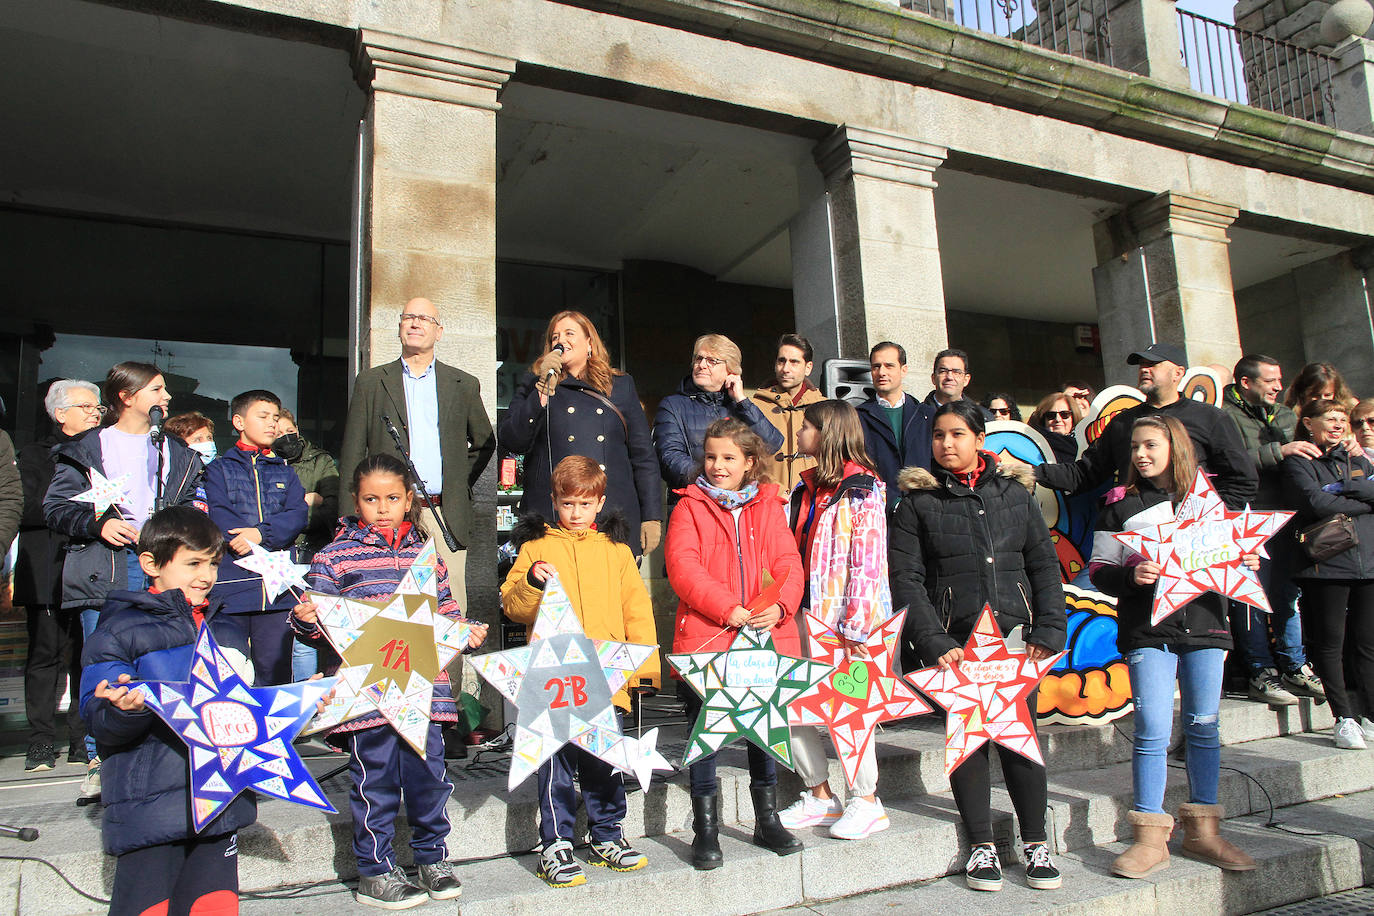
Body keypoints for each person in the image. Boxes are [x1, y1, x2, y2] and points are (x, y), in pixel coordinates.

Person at [291, 454, 487, 908]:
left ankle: (432, 857)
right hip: (366, 696)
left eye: (393, 498)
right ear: (355, 501)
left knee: (429, 778)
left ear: (409, 500)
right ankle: (375, 870)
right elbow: (314, 623)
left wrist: (467, 633)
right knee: (373, 780)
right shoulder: (333, 556)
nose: (382, 507)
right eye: (371, 499)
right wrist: (303, 620)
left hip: (426, 691)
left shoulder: (426, 555)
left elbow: (449, 615)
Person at [889, 400, 1066, 893]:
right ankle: (982, 845)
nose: (947, 444)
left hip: (1015, 641)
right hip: (957, 645)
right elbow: (906, 578)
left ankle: (1035, 843)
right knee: (967, 743)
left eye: (958, 435)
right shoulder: (917, 503)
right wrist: (933, 637)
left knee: (1018, 739)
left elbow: (1044, 566)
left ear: (979, 440)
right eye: (939, 436)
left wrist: (1050, 627)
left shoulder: (1015, 494)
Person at [1091, 416, 1259, 877]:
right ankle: (1149, 838)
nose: (1141, 455)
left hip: (1206, 629)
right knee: (1151, 728)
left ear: (1176, 447)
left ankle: (1204, 832)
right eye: (1134, 448)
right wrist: (1131, 575)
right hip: (1148, 633)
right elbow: (1100, 569)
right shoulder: (1120, 508)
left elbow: (1236, 557)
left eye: (1150, 445)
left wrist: (1243, 559)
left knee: (1203, 726)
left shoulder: (1211, 503)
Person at [79, 506, 257, 915]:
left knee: (214, 907)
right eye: (193, 563)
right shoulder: (120, 628)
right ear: (151, 564)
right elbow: (98, 718)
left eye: (213, 563)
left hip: (220, 803)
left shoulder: (225, 627)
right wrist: (125, 708)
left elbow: (249, 708)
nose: (207, 575)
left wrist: (300, 711)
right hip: (151, 810)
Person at [45, 361, 205, 798]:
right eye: (156, 389)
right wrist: (97, 525)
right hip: (108, 565)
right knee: (107, 661)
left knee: (168, 656)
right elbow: (55, 508)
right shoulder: (87, 448)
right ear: (127, 396)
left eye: (165, 389)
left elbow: (190, 503)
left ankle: (170, 751)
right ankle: (102, 759)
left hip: (161, 565)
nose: (166, 397)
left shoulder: (175, 451)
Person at [500, 456, 660, 887]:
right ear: (554, 501)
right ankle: (556, 843)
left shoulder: (617, 551)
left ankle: (608, 833)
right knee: (554, 763)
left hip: (608, 678)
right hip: (555, 680)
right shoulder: (535, 549)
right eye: (568, 503)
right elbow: (512, 606)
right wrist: (532, 579)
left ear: (600, 503)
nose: (575, 513)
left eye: (584, 505)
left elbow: (638, 615)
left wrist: (644, 673)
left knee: (604, 761)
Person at [665, 418, 805, 870]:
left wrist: (780, 607)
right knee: (705, 736)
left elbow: (789, 562)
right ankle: (705, 828)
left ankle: (766, 818)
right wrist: (728, 608)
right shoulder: (688, 506)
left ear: (750, 463)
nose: (718, 466)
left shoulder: (769, 505)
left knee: (762, 733)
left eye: (728, 458)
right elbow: (683, 566)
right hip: (709, 639)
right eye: (710, 457)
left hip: (765, 639)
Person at [777, 400, 893, 840]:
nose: (799, 432)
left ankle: (866, 800)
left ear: (827, 433)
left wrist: (857, 626)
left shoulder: (863, 488)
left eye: (806, 426)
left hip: (845, 624)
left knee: (850, 710)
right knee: (792, 704)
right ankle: (820, 796)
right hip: (800, 616)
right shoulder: (806, 488)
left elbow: (868, 563)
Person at [339, 297, 496, 608]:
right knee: (386, 605)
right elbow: (353, 453)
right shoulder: (371, 382)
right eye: (409, 317)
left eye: (424, 318)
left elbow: (484, 442)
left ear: (439, 331)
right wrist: (348, 518)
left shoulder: (463, 384)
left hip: (442, 514)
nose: (415, 323)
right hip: (386, 515)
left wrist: (454, 479)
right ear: (399, 327)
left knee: (449, 612)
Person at [499, 310, 662, 558]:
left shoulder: (620, 385)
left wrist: (651, 516)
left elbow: (643, 457)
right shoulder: (535, 383)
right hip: (552, 519)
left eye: (569, 333)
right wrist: (540, 393)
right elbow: (513, 440)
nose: (560, 340)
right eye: (555, 336)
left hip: (610, 518)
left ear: (589, 343)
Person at [1033, 343, 1257, 510]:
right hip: (1140, 537)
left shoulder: (1210, 418)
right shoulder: (1122, 422)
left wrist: (1211, 518)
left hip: (1197, 543)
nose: (1144, 370)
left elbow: (1242, 480)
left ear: (1178, 372)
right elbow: (1085, 473)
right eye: (1141, 365)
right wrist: (1027, 472)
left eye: (1153, 364)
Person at [1220, 355, 1325, 707]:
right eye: (1271, 380)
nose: (1280, 387)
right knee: (1250, 595)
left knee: (1285, 593)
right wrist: (1278, 451)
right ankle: (1260, 671)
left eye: (1280, 379)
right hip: (1245, 520)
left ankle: (1295, 665)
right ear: (1246, 383)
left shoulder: (1284, 415)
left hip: (1285, 518)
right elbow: (1228, 462)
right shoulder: (1223, 416)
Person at [16, 379, 102, 770]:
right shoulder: (35, 454)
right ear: (60, 413)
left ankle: (82, 740)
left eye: (97, 408)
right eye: (86, 407)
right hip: (47, 563)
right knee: (45, 654)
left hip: (93, 566)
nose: (94, 413)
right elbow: (28, 508)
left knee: (88, 656)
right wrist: (78, 506)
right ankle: (39, 742)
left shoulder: (104, 451)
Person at [1282, 399, 1374, 750]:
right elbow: (1316, 504)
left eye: (1341, 420)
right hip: (1326, 565)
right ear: (1308, 423)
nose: (1337, 425)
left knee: (1366, 644)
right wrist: (1366, 500)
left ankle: (1369, 714)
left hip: (1368, 563)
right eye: (1329, 419)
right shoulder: (1299, 461)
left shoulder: (1357, 458)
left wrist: (1349, 489)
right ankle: (1343, 717)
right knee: (1330, 644)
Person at [204, 390, 307, 686]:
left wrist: (261, 534)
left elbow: (297, 514)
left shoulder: (287, 472)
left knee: (274, 673)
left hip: (277, 591)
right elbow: (217, 510)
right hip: (232, 587)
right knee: (228, 671)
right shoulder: (218, 469)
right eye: (263, 417)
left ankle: (277, 732)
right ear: (238, 421)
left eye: (275, 418)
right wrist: (243, 539)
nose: (272, 424)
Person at [653, 334, 783, 498]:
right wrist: (714, 483)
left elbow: (772, 444)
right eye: (698, 359)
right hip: (695, 502)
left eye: (712, 361)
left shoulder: (740, 406)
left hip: (740, 504)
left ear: (731, 370)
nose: (702, 365)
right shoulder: (673, 405)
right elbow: (669, 457)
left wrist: (742, 401)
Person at [274, 408, 340, 681]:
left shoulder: (320, 461)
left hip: (313, 552)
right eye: (277, 433)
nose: (285, 437)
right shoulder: (265, 465)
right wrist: (305, 501)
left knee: (305, 634)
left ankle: (305, 696)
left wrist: (289, 516)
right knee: (277, 633)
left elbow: (333, 507)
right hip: (277, 556)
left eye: (290, 431)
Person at [856, 341, 933, 513]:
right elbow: (859, 467)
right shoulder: (858, 417)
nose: (881, 372)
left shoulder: (927, 415)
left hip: (926, 509)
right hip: (880, 511)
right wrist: (891, 500)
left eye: (889, 366)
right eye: (876, 366)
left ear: (903, 370)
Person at [751, 333, 826, 492]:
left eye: (794, 362)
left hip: (812, 498)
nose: (785, 369)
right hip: (767, 500)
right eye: (781, 361)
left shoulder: (825, 408)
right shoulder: (754, 407)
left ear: (808, 367)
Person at [923, 349, 994, 421]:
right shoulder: (917, 416)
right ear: (933, 378)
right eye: (943, 371)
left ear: (966, 380)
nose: (949, 377)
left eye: (956, 372)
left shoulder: (983, 417)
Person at [1028, 391, 1082, 463]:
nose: (1057, 419)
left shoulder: (1084, 443)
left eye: (1064, 414)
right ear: (1043, 420)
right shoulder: (1034, 445)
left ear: (1074, 417)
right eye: (1051, 415)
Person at [1284, 361, 1357, 412]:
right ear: (1303, 393)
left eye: (1328, 395)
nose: (1322, 399)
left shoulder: (1350, 409)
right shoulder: (1291, 417)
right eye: (1316, 395)